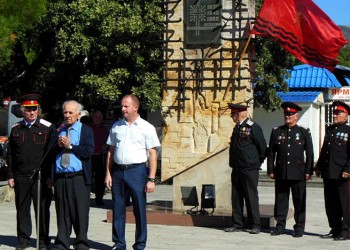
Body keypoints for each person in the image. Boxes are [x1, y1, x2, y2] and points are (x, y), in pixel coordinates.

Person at [105, 94, 161, 250]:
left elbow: (152, 154)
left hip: (137, 171)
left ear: (135, 107)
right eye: (122, 106)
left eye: (126, 106)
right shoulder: (116, 126)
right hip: (118, 172)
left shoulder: (146, 127)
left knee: (139, 209)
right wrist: (108, 173)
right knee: (118, 208)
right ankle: (119, 243)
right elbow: (110, 151)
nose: (122, 109)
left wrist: (151, 179)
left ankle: (140, 244)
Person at [6, 94, 55, 250]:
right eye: (28, 110)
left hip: (40, 176)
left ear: (38, 110)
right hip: (21, 176)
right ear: (22, 111)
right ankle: (23, 240)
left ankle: (42, 240)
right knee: (22, 209)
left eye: (34, 109)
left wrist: (50, 176)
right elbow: (10, 154)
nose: (32, 112)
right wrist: (11, 175)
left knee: (41, 209)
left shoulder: (47, 127)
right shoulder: (15, 129)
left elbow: (52, 154)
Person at [51, 100, 94, 250]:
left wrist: (70, 146)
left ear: (78, 114)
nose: (67, 115)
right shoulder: (58, 129)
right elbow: (49, 153)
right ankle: (62, 243)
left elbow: (88, 152)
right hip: (61, 178)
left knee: (80, 212)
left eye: (71, 112)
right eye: (65, 112)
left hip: (78, 178)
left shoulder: (86, 130)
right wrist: (58, 145)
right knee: (62, 212)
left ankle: (81, 243)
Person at [267, 102, 314, 238]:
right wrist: (271, 169)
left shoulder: (303, 132)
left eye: (290, 114)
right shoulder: (276, 131)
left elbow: (309, 153)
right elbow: (271, 152)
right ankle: (280, 226)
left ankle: (299, 227)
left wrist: (308, 171)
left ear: (296, 116)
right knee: (281, 201)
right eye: (286, 114)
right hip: (281, 172)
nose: (287, 116)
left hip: (298, 173)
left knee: (299, 201)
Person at [224, 103, 267, 234]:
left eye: (233, 114)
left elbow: (263, 148)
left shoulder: (253, 127)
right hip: (237, 168)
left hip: (249, 168)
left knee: (250, 196)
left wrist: (255, 163)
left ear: (239, 114)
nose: (232, 117)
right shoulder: (236, 128)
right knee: (236, 197)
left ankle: (255, 224)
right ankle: (237, 223)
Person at [315, 101, 350, 241]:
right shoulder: (330, 130)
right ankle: (335, 228)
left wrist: (348, 169)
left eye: (338, 113)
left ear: (346, 116)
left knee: (344, 203)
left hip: (342, 173)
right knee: (331, 203)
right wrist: (318, 167)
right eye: (334, 113)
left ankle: (346, 230)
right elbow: (325, 151)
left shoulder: (348, 131)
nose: (335, 115)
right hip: (329, 172)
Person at [89, 110, 109, 206]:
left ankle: (99, 199)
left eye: (100, 117)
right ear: (93, 118)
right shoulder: (88, 128)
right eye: (97, 117)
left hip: (100, 156)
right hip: (90, 157)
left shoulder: (104, 129)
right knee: (88, 178)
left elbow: (109, 142)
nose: (98, 119)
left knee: (100, 179)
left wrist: (106, 145)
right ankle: (85, 198)